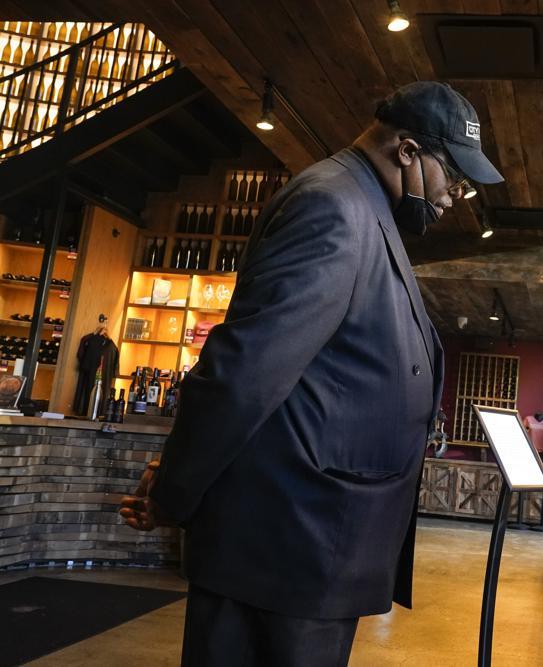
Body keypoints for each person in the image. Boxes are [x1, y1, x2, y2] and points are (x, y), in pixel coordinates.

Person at [118, 81, 503, 666]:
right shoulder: (332, 204)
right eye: (454, 176)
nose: (455, 196)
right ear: (406, 150)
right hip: (283, 544)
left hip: (310, 547)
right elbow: (243, 371)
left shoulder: (363, 206)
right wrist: (174, 490)